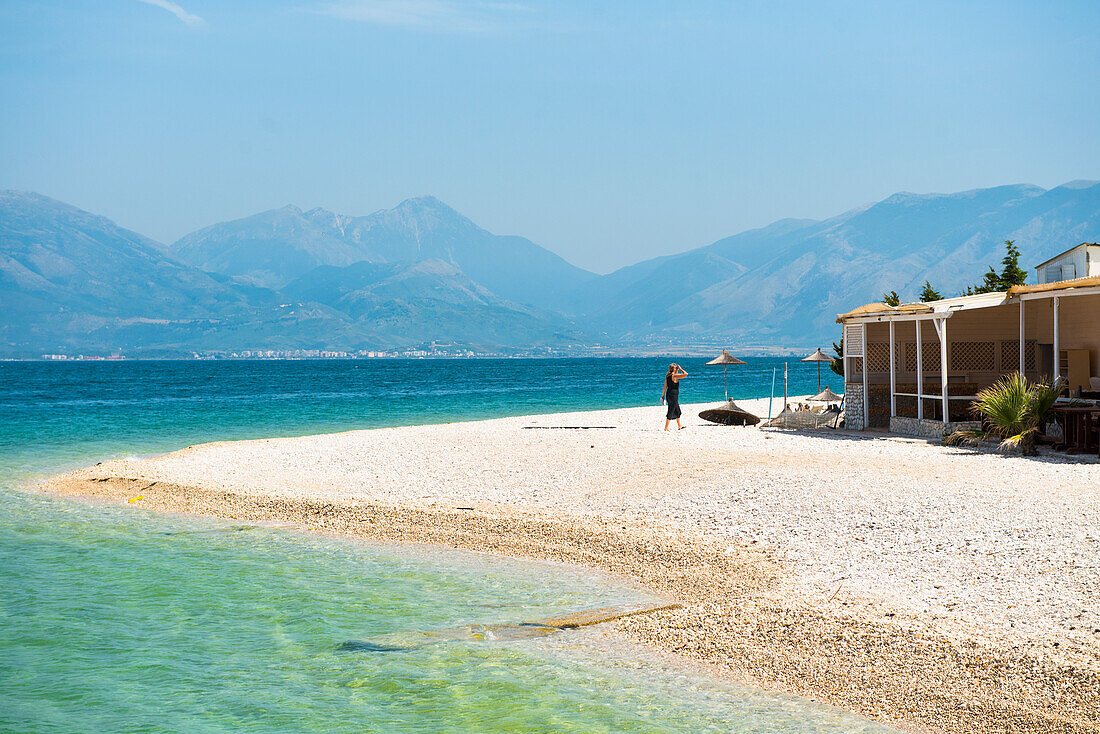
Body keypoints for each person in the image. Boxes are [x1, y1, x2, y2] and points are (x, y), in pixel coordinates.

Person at [661, 363, 688, 430]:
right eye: (676, 368)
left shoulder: (668, 376)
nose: (677, 369)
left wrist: (663, 396)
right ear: (674, 369)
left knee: (677, 411)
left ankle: (679, 426)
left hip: (669, 395)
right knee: (671, 410)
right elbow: (686, 374)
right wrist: (681, 369)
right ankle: (666, 427)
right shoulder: (675, 376)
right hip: (673, 395)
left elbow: (664, 387)